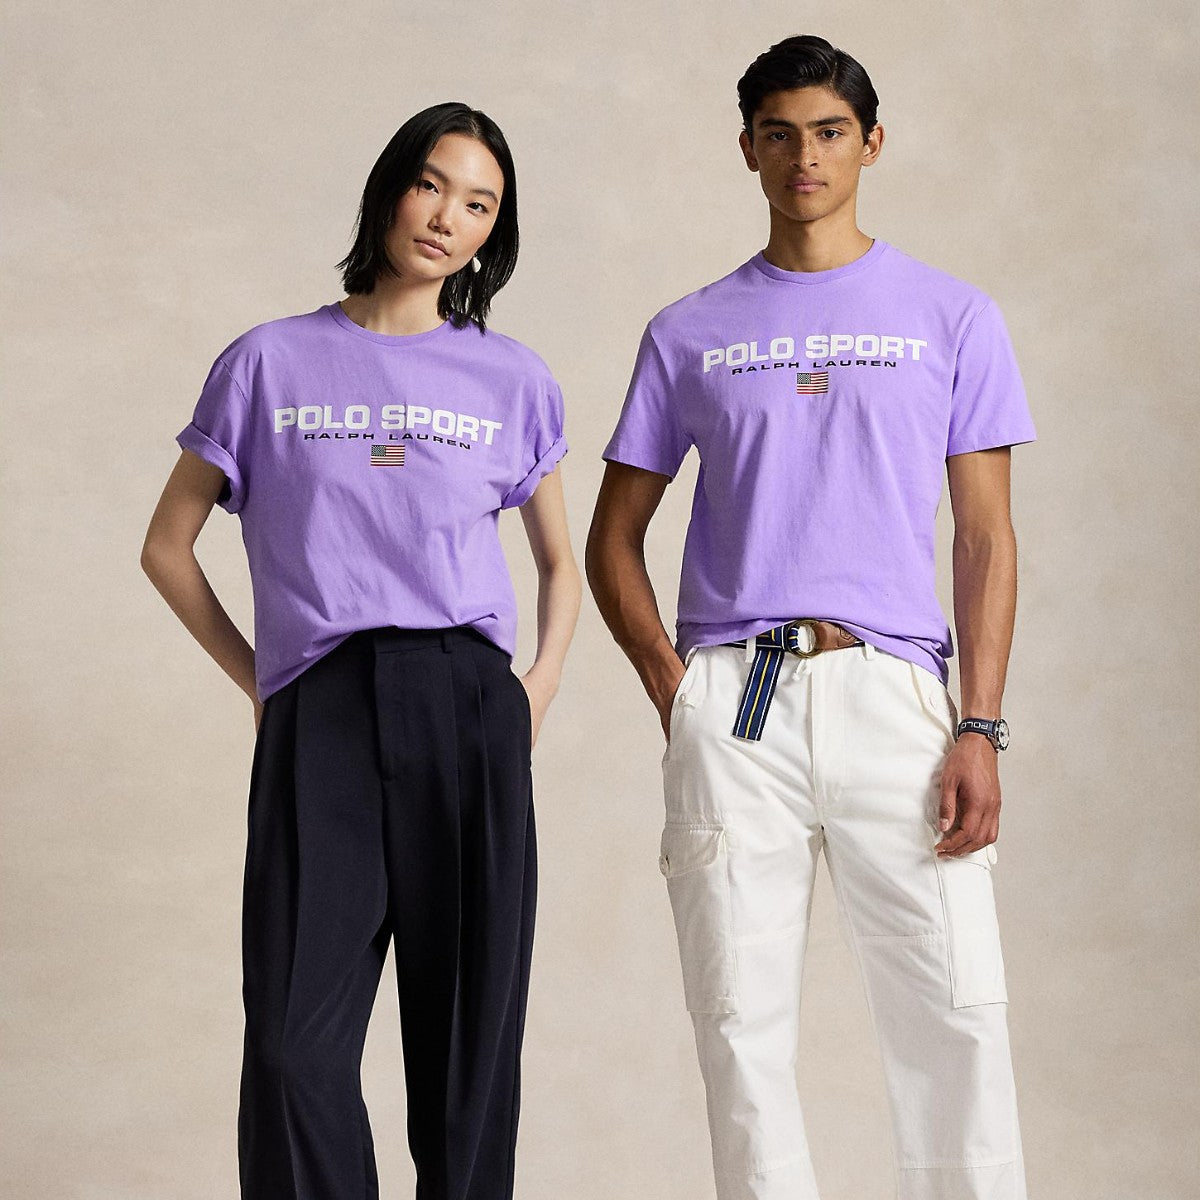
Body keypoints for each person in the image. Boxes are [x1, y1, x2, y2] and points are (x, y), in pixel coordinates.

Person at [587, 35, 1034, 1200]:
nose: (805, 157)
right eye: (779, 134)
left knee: (956, 1015)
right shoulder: (689, 330)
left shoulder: (952, 315)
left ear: (871, 143)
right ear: (747, 148)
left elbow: (985, 538)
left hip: (896, 696)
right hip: (737, 704)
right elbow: (611, 537)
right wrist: (677, 689)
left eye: (830, 132)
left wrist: (980, 726)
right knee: (740, 1028)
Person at [141, 101, 581, 1200]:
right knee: (293, 1048)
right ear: (391, 187)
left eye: (478, 204)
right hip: (323, 709)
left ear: (493, 232)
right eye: (432, 184)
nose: (446, 218)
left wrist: (534, 691)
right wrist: (266, 683)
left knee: (467, 1056)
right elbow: (166, 546)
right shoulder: (268, 362)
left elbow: (560, 563)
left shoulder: (511, 379)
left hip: (468, 707)